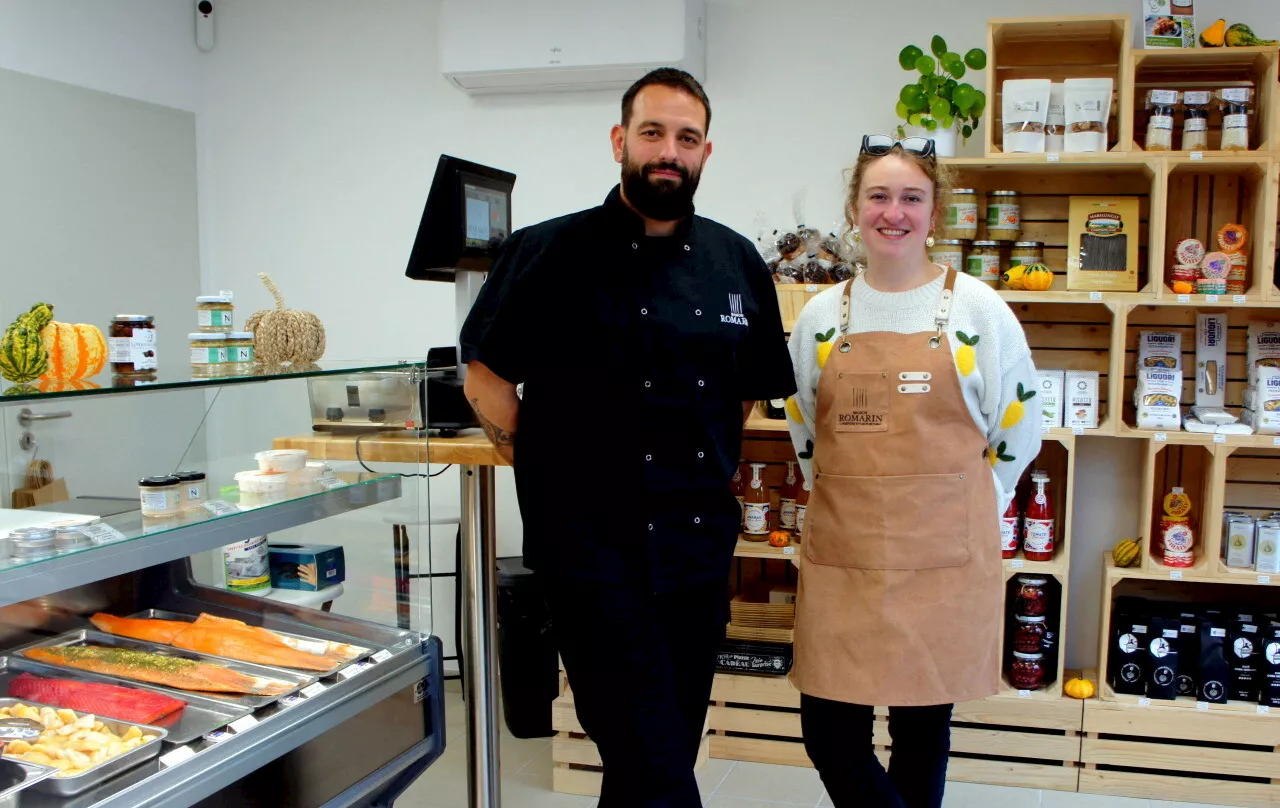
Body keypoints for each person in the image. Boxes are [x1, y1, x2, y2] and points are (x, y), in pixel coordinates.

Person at [460, 67, 795, 807]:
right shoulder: (548, 252)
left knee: (657, 748)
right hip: (590, 552)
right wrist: (549, 458)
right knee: (658, 766)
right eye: (652, 133)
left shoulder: (737, 262)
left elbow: (743, 394)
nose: (667, 151)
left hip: (698, 550)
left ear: (707, 151)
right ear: (620, 141)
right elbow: (482, 375)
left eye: (686, 137)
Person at [783, 134, 1041, 808]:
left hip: (940, 557)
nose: (893, 212)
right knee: (829, 734)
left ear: (934, 212)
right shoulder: (819, 316)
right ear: (854, 208)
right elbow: (803, 422)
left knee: (923, 731)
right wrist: (854, 496)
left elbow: (1020, 425)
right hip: (846, 553)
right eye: (878, 196)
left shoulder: (977, 310)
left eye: (911, 198)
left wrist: (971, 499)